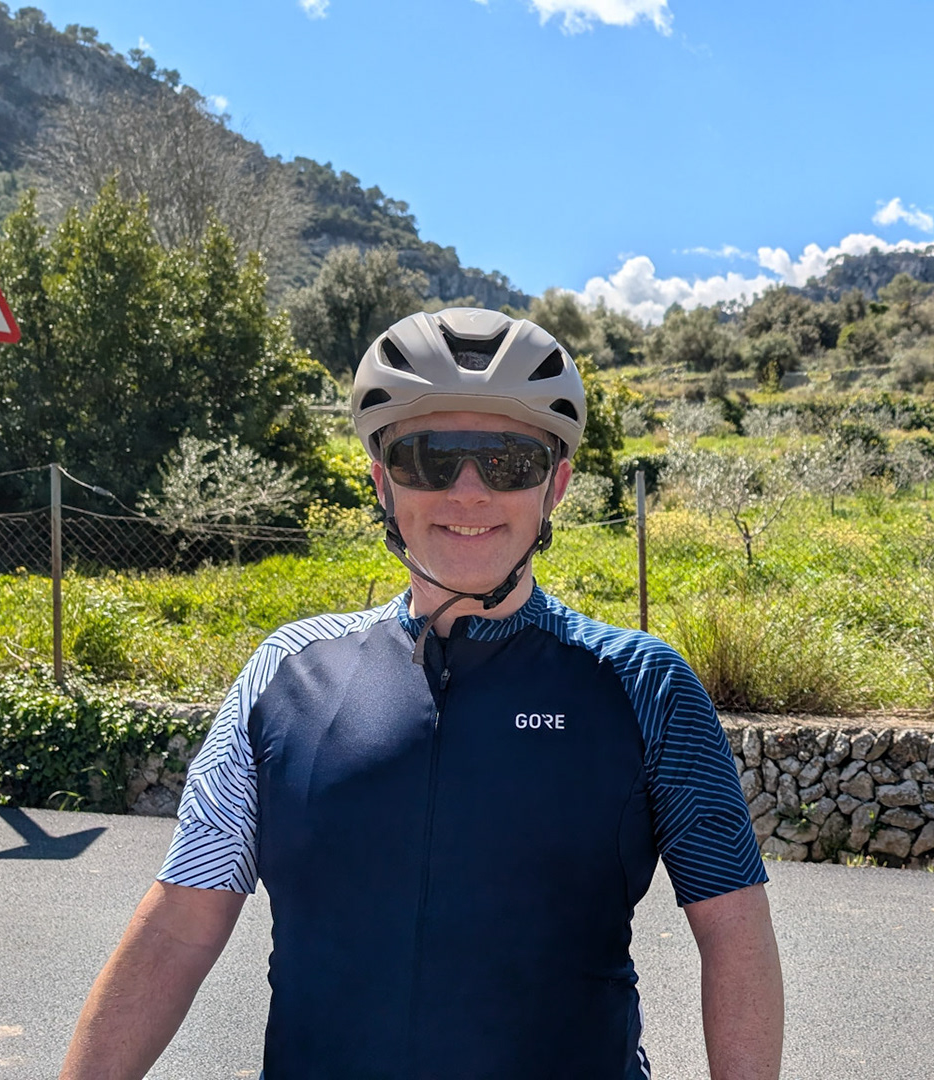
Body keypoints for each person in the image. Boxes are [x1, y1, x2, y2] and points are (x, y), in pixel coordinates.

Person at [58, 308, 783, 1079]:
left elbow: (733, 931)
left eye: (508, 461)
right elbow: (179, 924)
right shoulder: (285, 673)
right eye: (429, 458)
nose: (468, 492)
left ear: (556, 486)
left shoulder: (644, 684)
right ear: (383, 481)